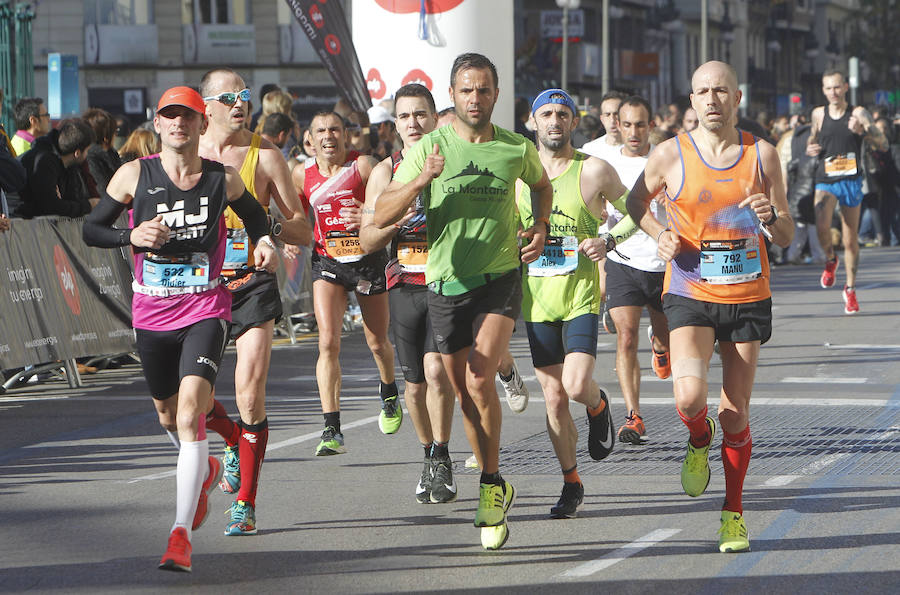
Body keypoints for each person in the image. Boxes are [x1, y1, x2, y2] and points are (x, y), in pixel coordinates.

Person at [82, 86, 277, 571]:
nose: (177, 124)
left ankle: (179, 534)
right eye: (169, 116)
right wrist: (131, 234)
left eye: (186, 117)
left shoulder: (221, 178)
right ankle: (208, 466)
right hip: (152, 312)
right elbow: (91, 229)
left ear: (199, 122)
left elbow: (255, 217)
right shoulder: (134, 174)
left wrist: (266, 243)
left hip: (205, 307)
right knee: (169, 417)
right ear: (159, 122)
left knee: (191, 416)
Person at [372, 52, 553, 550]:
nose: (476, 98)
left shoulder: (516, 147)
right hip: (446, 284)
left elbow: (542, 185)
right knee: (463, 395)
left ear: (496, 95)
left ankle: (491, 484)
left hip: (500, 276)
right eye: (467, 90)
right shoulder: (428, 147)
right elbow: (383, 212)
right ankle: (495, 478)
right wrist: (419, 180)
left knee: (478, 376)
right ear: (452, 96)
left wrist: (538, 226)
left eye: (485, 90)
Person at [626, 61, 793, 554]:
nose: (712, 99)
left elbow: (787, 234)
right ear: (691, 99)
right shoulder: (667, 154)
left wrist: (771, 218)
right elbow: (635, 202)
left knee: (736, 414)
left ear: (737, 98)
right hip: (690, 292)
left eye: (721, 90)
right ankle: (699, 438)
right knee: (688, 397)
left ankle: (733, 513)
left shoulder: (761, 155)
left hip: (746, 298)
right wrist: (661, 236)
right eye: (703, 91)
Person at [197, 68, 312, 536]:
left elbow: (303, 229)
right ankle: (230, 440)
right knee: (193, 399)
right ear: (206, 106)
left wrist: (268, 230)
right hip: (198, 289)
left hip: (252, 285)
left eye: (244, 95)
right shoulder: (188, 153)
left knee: (249, 392)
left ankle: (245, 503)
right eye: (228, 97)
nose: (239, 103)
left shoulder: (265, 157)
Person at [517, 88, 630, 518]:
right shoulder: (518, 176)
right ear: (533, 121)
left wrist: (608, 240)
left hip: (580, 297)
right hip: (537, 303)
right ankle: (571, 482)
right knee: (553, 397)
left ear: (573, 122)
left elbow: (635, 210)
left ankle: (599, 407)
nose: (554, 121)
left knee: (577, 385)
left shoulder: (594, 170)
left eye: (563, 114)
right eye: (546, 113)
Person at [359, 83, 457, 504]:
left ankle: (444, 454)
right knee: (414, 385)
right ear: (394, 124)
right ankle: (428, 453)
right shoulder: (385, 171)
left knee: (438, 373)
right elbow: (366, 239)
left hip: (445, 283)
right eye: (404, 116)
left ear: (435, 119)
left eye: (421, 114)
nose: (413, 123)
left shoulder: (454, 161)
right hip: (403, 284)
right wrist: (393, 224)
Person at [291, 110, 399, 455]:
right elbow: (296, 214)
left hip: (367, 260)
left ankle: (389, 391)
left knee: (377, 341)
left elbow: (389, 202)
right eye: (321, 130)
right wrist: (291, 237)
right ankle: (331, 428)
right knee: (327, 343)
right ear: (310, 139)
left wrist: (367, 212)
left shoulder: (364, 166)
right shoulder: (300, 174)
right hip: (328, 262)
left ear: (346, 134)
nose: (328, 136)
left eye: (335, 129)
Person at [604, 96, 671, 446]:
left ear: (651, 124)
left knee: (664, 336)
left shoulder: (667, 159)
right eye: (627, 124)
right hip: (623, 261)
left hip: (663, 264)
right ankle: (633, 415)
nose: (633, 132)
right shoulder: (606, 163)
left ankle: (661, 348)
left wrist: (670, 201)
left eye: (640, 125)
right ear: (617, 123)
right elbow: (593, 207)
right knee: (626, 337)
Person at [807, 69, 888, 313]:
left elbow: (882, 143)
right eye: (828, 88)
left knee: (850, 239)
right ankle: (831, 259)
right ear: (823, 90)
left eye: (836, 87)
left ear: (845, 88)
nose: (833, 92)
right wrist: (811, 148)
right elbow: (813, 139)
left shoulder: (858, 113)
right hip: (826, 178)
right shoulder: (818, 114)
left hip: (851, 180)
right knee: (822, 227)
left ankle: (850, 290)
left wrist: (863, 132)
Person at [15, 118, 97, 218]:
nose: (87, 155)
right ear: (77, 153)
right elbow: (51, 206)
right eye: (87, 150)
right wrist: (88, 206)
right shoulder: (44, 162)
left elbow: (69, 199)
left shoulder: (69, 165)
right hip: (20, 222)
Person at [82, 107, 122, 194]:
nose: (116, 135)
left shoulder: (111, 153)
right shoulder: (91, 158)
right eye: (115, 131)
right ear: (107, 136)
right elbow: (103, 190)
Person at [580, 91, 625, 161]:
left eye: (616, 114)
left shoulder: (639, 149)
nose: (612, 120)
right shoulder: (589, 150)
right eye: (607, 114)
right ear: (602, 119)